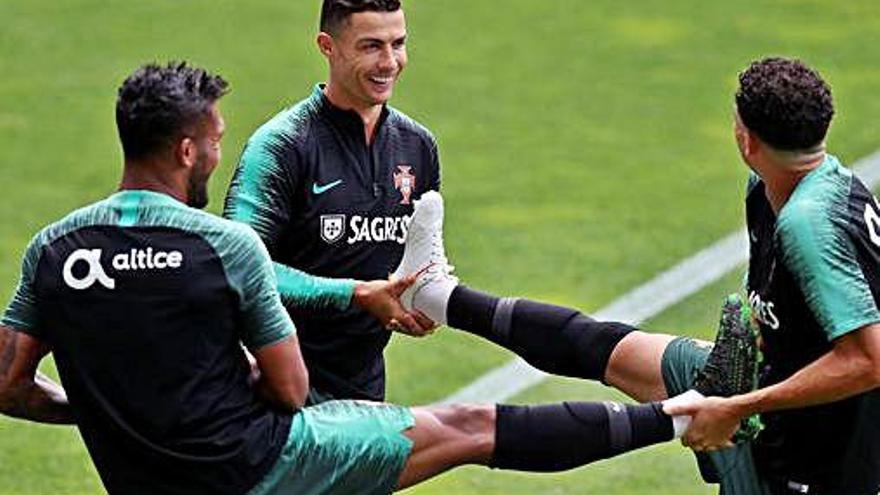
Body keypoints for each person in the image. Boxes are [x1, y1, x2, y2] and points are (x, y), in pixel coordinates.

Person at [0, 61, 731, 495]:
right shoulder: (225, 246)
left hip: (145, 481)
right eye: (216, 142)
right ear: (188, 149)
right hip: (255, 466)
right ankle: (678, 414)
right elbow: (290, 392)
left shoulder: (53, 247)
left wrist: (98, 408)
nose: (220, 154)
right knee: (466, 427)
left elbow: (9, 384)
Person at [396, 57, 880, 494]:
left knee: (633, 409)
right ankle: (433, 294)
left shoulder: (808, 223)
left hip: (816, 454)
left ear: (746, 139)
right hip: (760, 386)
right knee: (601, 345)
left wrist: (738, 407)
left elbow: (868, 361)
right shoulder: (785, 189)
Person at [223, 0, 438, 404]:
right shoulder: (282, 145)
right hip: (270, 387)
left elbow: (421, 258)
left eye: (398, 43)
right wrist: (354, 295)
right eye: (371, 46)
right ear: (327, 46)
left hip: (365, 389)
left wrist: (420, 300)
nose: (389, 62)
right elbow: (237, 269)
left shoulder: (417, 146)